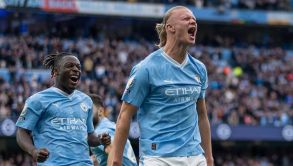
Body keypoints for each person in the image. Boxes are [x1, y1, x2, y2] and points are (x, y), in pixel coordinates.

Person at [110, 6, 213, 166]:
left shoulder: (199, 68)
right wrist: (116, 160)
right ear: (169, 27)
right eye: (186, 18)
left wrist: (209, 157)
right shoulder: (146, 68)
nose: (193, 21)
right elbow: (124, 116)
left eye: (194, 20)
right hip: (158, 158)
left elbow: (202, 115)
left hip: (194, 156)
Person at [15, 52, 111, 165]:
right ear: (55, 72)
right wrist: (33, 151)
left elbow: (89, 136)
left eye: (78, 67)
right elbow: (21, 132)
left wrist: (100, 140)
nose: (76, 69)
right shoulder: (37, 100)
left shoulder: (86, 101)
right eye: (69, 66)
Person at [89, 94, 137, 166]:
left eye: (89, 110)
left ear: (100, 111)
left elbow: (112, 151)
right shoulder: (112, 126)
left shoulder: (100, 131)